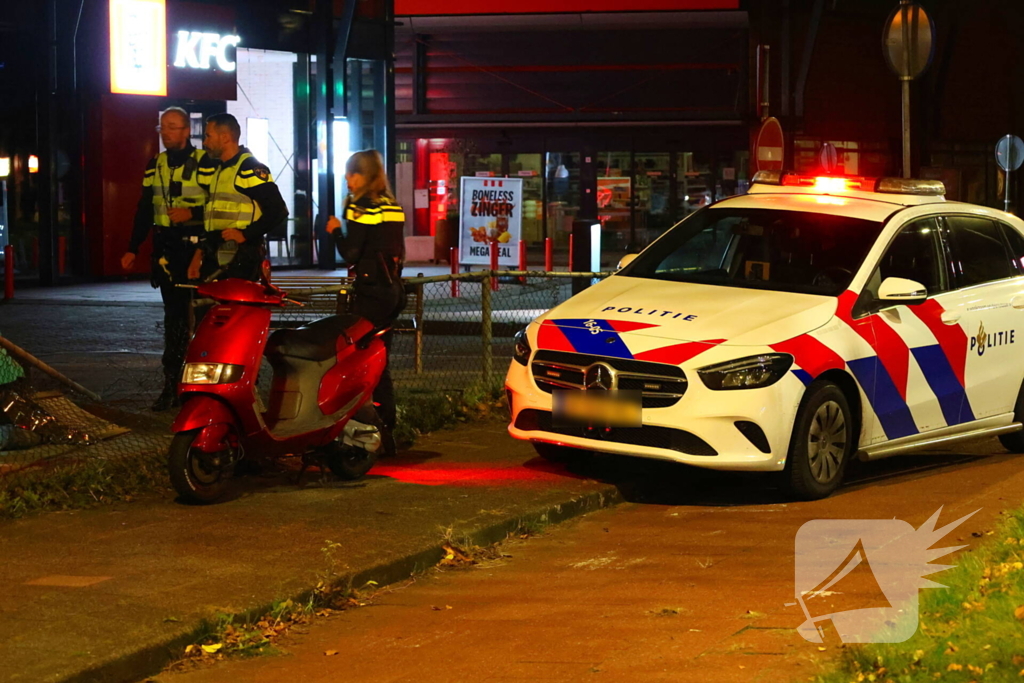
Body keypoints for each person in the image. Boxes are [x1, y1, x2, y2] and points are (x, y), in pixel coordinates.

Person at [121, 107, 211, 412]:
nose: (166, 133)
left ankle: (203, 389)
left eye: (173, 127)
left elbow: (220, 206)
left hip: (199, 250)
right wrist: (133, 247)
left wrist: (192, 214)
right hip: (168, 251)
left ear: (187, 130)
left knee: (204, 321)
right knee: (173, 321)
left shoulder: (205, 164)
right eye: (163, 128)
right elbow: (144, 208)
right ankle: (171, 387)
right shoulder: (155, 165)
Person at [325, 150, 406, 456]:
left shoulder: (359, 206)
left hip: (371, 292)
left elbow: (350, 253)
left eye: (351, 173)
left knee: (356, 359)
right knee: (379, 359)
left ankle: (362, 426)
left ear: (364, 175)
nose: (347, 179)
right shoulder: (391, 204)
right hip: (393, 289)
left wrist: (335, 231)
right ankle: (387, 427)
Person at [191, 113, 288, 282]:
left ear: (225, 137)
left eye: (208, 136)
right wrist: (199, 253)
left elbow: (278, 211)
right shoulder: (221, 170)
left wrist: (246, 234)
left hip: (241, 257)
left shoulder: (250, 169)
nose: (205, 142)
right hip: (217, 254)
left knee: (237, 307)